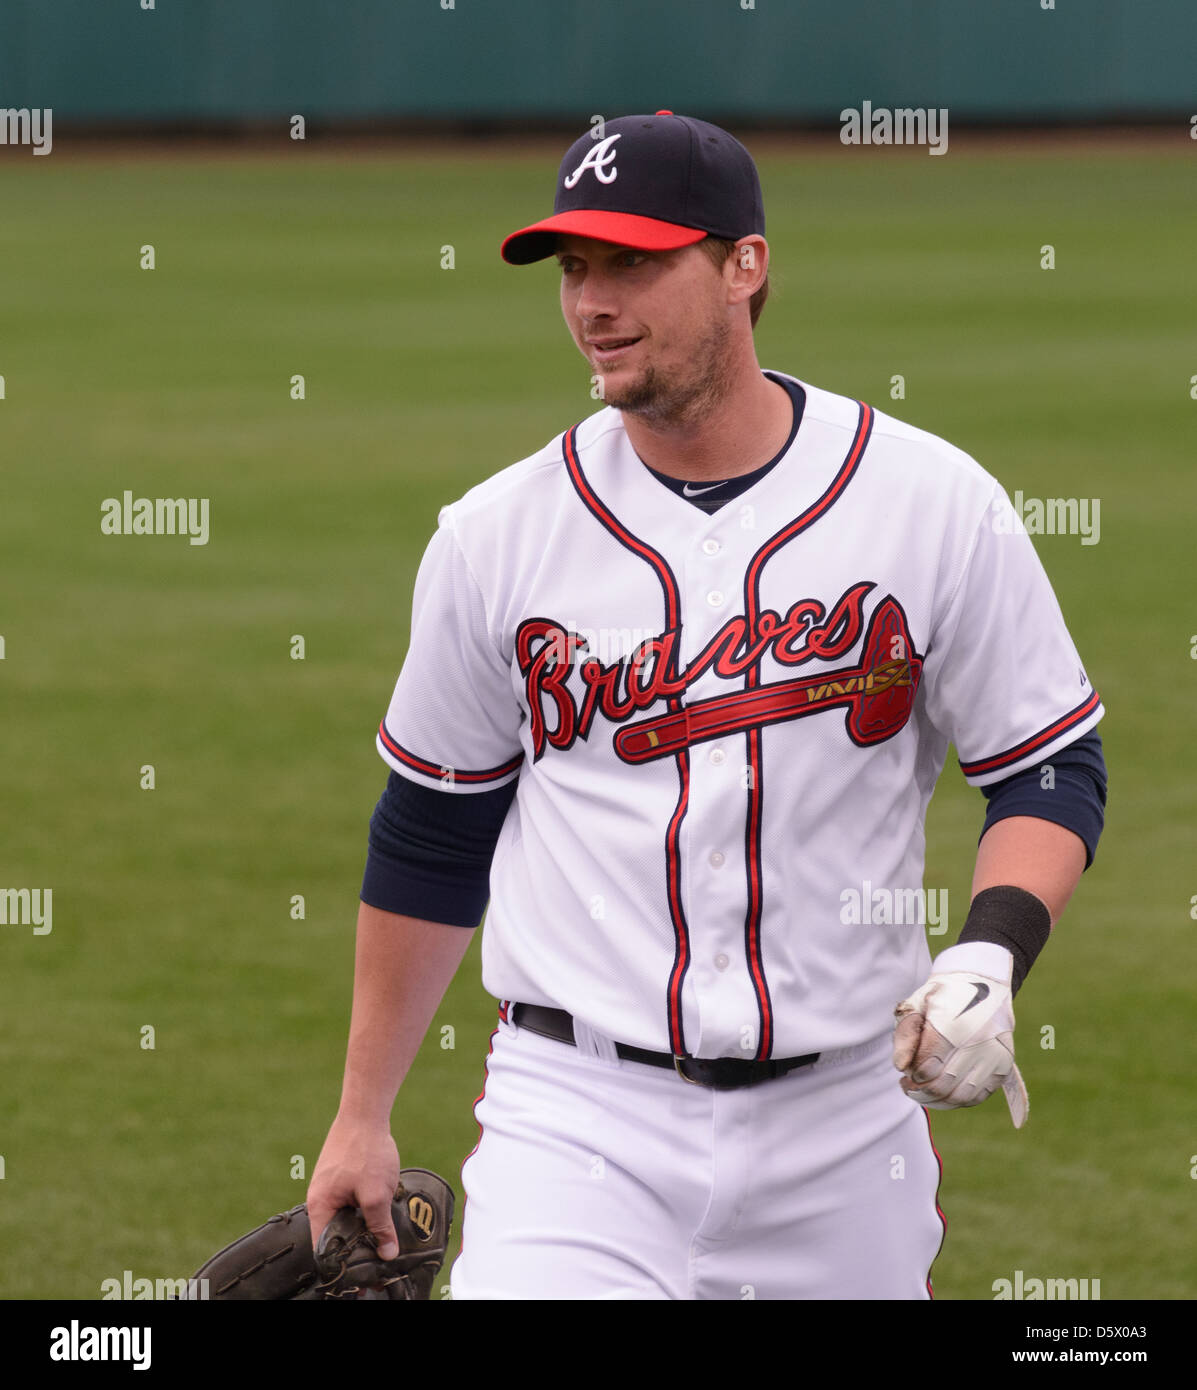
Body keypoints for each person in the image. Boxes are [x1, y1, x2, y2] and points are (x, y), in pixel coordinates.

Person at [307, 112, 1107, 1300]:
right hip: (577, 1119)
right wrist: (360, 1113)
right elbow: (433, 826)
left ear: (745, 265)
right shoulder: (496, 536)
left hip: (846, 1126)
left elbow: (1049, 765)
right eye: (575, 267)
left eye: (634, 262)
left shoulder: (931, 502)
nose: (594, 302)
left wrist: (993, 947)